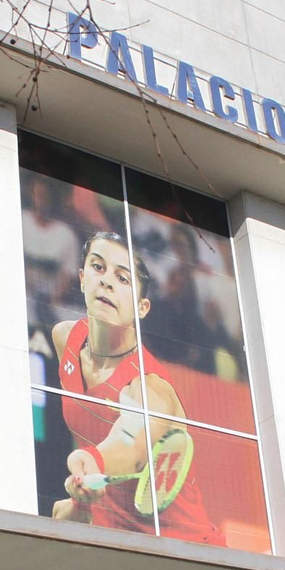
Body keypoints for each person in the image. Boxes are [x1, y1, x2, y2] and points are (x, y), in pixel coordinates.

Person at [50, 230, 224, 545]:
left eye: (123, 278)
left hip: (186, 550)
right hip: (117, 542)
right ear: (81, 277)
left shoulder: (149, 388)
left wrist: (92, 462)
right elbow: (88, 427)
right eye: (98, 267)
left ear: (143, 308)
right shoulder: (66, 338)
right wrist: (82, 498)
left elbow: (131, 444)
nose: (106, 282)